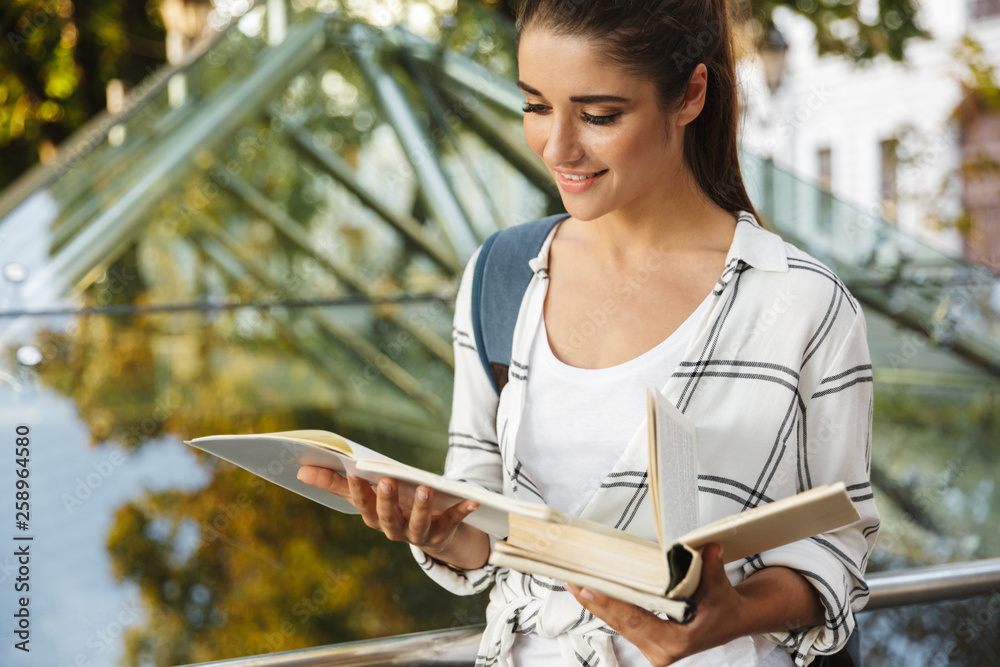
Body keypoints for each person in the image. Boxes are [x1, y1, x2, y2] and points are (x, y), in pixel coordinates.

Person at [298, 0, 880, 665]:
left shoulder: (801, 302)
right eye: (536, 106)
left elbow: (836, 544)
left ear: (690, 94)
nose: (558, 147)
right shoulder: (502, 277)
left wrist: (733, 612)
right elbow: (485, 530)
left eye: (600, 116)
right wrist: (427, 526)